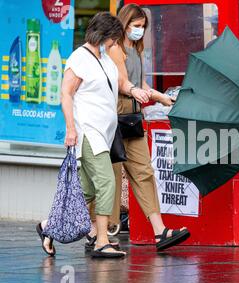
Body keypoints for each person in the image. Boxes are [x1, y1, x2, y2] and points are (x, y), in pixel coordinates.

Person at [36, 12, 127, 258]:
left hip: (103, 135)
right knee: (107, 182)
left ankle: (48, 227)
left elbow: (117, 84)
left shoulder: (105, 58)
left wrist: (137, 91)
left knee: (85, 190)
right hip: (88, 133)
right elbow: (66, 94)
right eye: (113, 39)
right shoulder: (79, 58)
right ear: (102, 35)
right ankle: (101, 240)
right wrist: (71, 128)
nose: (114, 44)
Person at [107, 3, 190, 251]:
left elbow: (139, 82)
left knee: (144, 172)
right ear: (125, 24)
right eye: (136, 26)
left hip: (133, 115)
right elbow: (123, 82)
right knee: (109, 177)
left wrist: (162, 97)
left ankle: (159, 231)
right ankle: (99, 231)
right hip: (114, 115)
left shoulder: (137, 50)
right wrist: (140, 93)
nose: (140, 31)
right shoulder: (115, 48)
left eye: (143, 27)